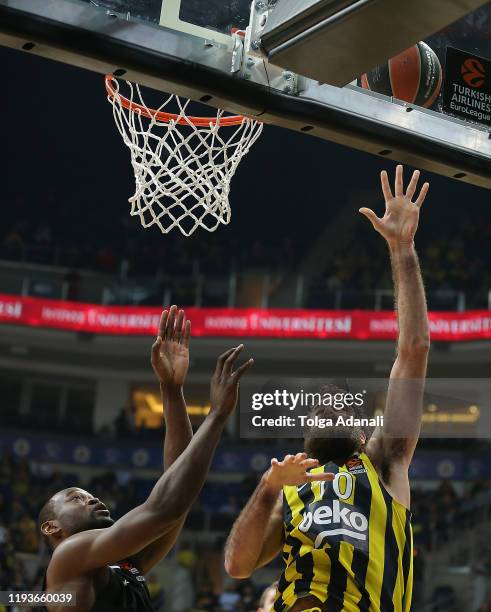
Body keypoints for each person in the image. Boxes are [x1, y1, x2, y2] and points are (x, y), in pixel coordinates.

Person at [224, 166, 430, 612]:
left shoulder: (385, 463)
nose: (331, 409)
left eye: (341, 408)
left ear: (363, 434)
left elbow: (413, 350)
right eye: (322, 409)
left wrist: (402, 249)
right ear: (306, 437)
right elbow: (238, 566)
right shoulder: (292, 494)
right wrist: (267, 488)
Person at [37, 305, 253, 611]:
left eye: (88, 495)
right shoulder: (68, 555)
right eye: (76, 498)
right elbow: (167, 507)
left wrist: (171, 389)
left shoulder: (123, 566)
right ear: (51, 528)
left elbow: (176, 493)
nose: (94, 499)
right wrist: (216, 416)